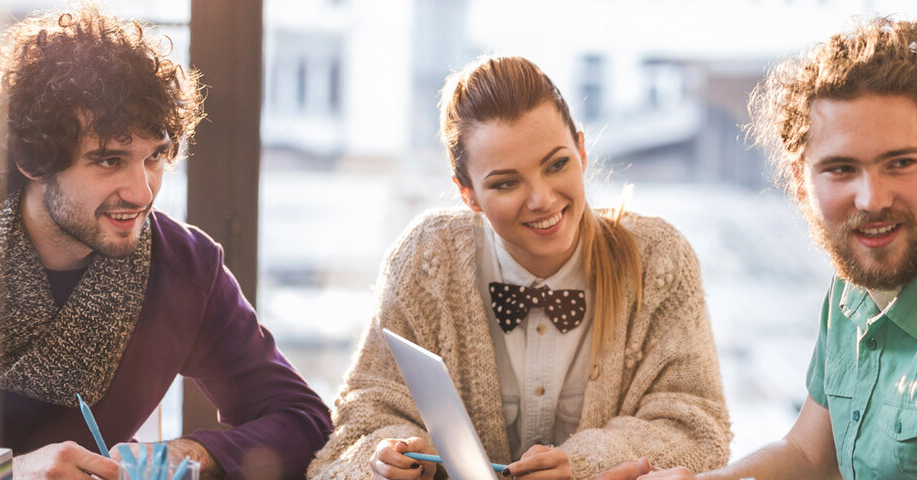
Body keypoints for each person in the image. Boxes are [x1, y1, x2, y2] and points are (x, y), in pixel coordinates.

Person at [0, 5, 332, 479]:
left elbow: (302, 419)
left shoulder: (186, 268)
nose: (142, 192)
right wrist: (5, 473)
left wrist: (193, 452)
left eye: (155, 157)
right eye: (109, 161)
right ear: (32, 160)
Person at [603, 18, 917, 480]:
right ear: (801, 183)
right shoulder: (858, 277)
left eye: (900, 163)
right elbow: (811, 454)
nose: (872, 200)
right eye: (841, 169)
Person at [305, 56, 731, 480]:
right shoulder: (425, 259)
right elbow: (364, 415)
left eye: (557, 164)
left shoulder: (661, 258)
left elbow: (698, 429)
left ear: (581, 150)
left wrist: (584, 465)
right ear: (468, 193)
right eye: (506, 183)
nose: (541, 199)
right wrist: (389, 456)